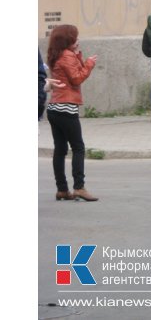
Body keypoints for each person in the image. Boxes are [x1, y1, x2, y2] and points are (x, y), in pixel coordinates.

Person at [46, 25, 99, 202]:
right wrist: (90, 64)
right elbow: (76, 78)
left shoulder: (57, 54)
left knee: (60, 149)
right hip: (66, 107)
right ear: (68, 39)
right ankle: (79, 187)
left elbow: (71, 72)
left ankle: (62, 189)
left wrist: (78, 56)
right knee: (78, 148)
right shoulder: (66, 56)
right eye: (75, 37)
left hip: (54, 108)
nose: (78, 40)